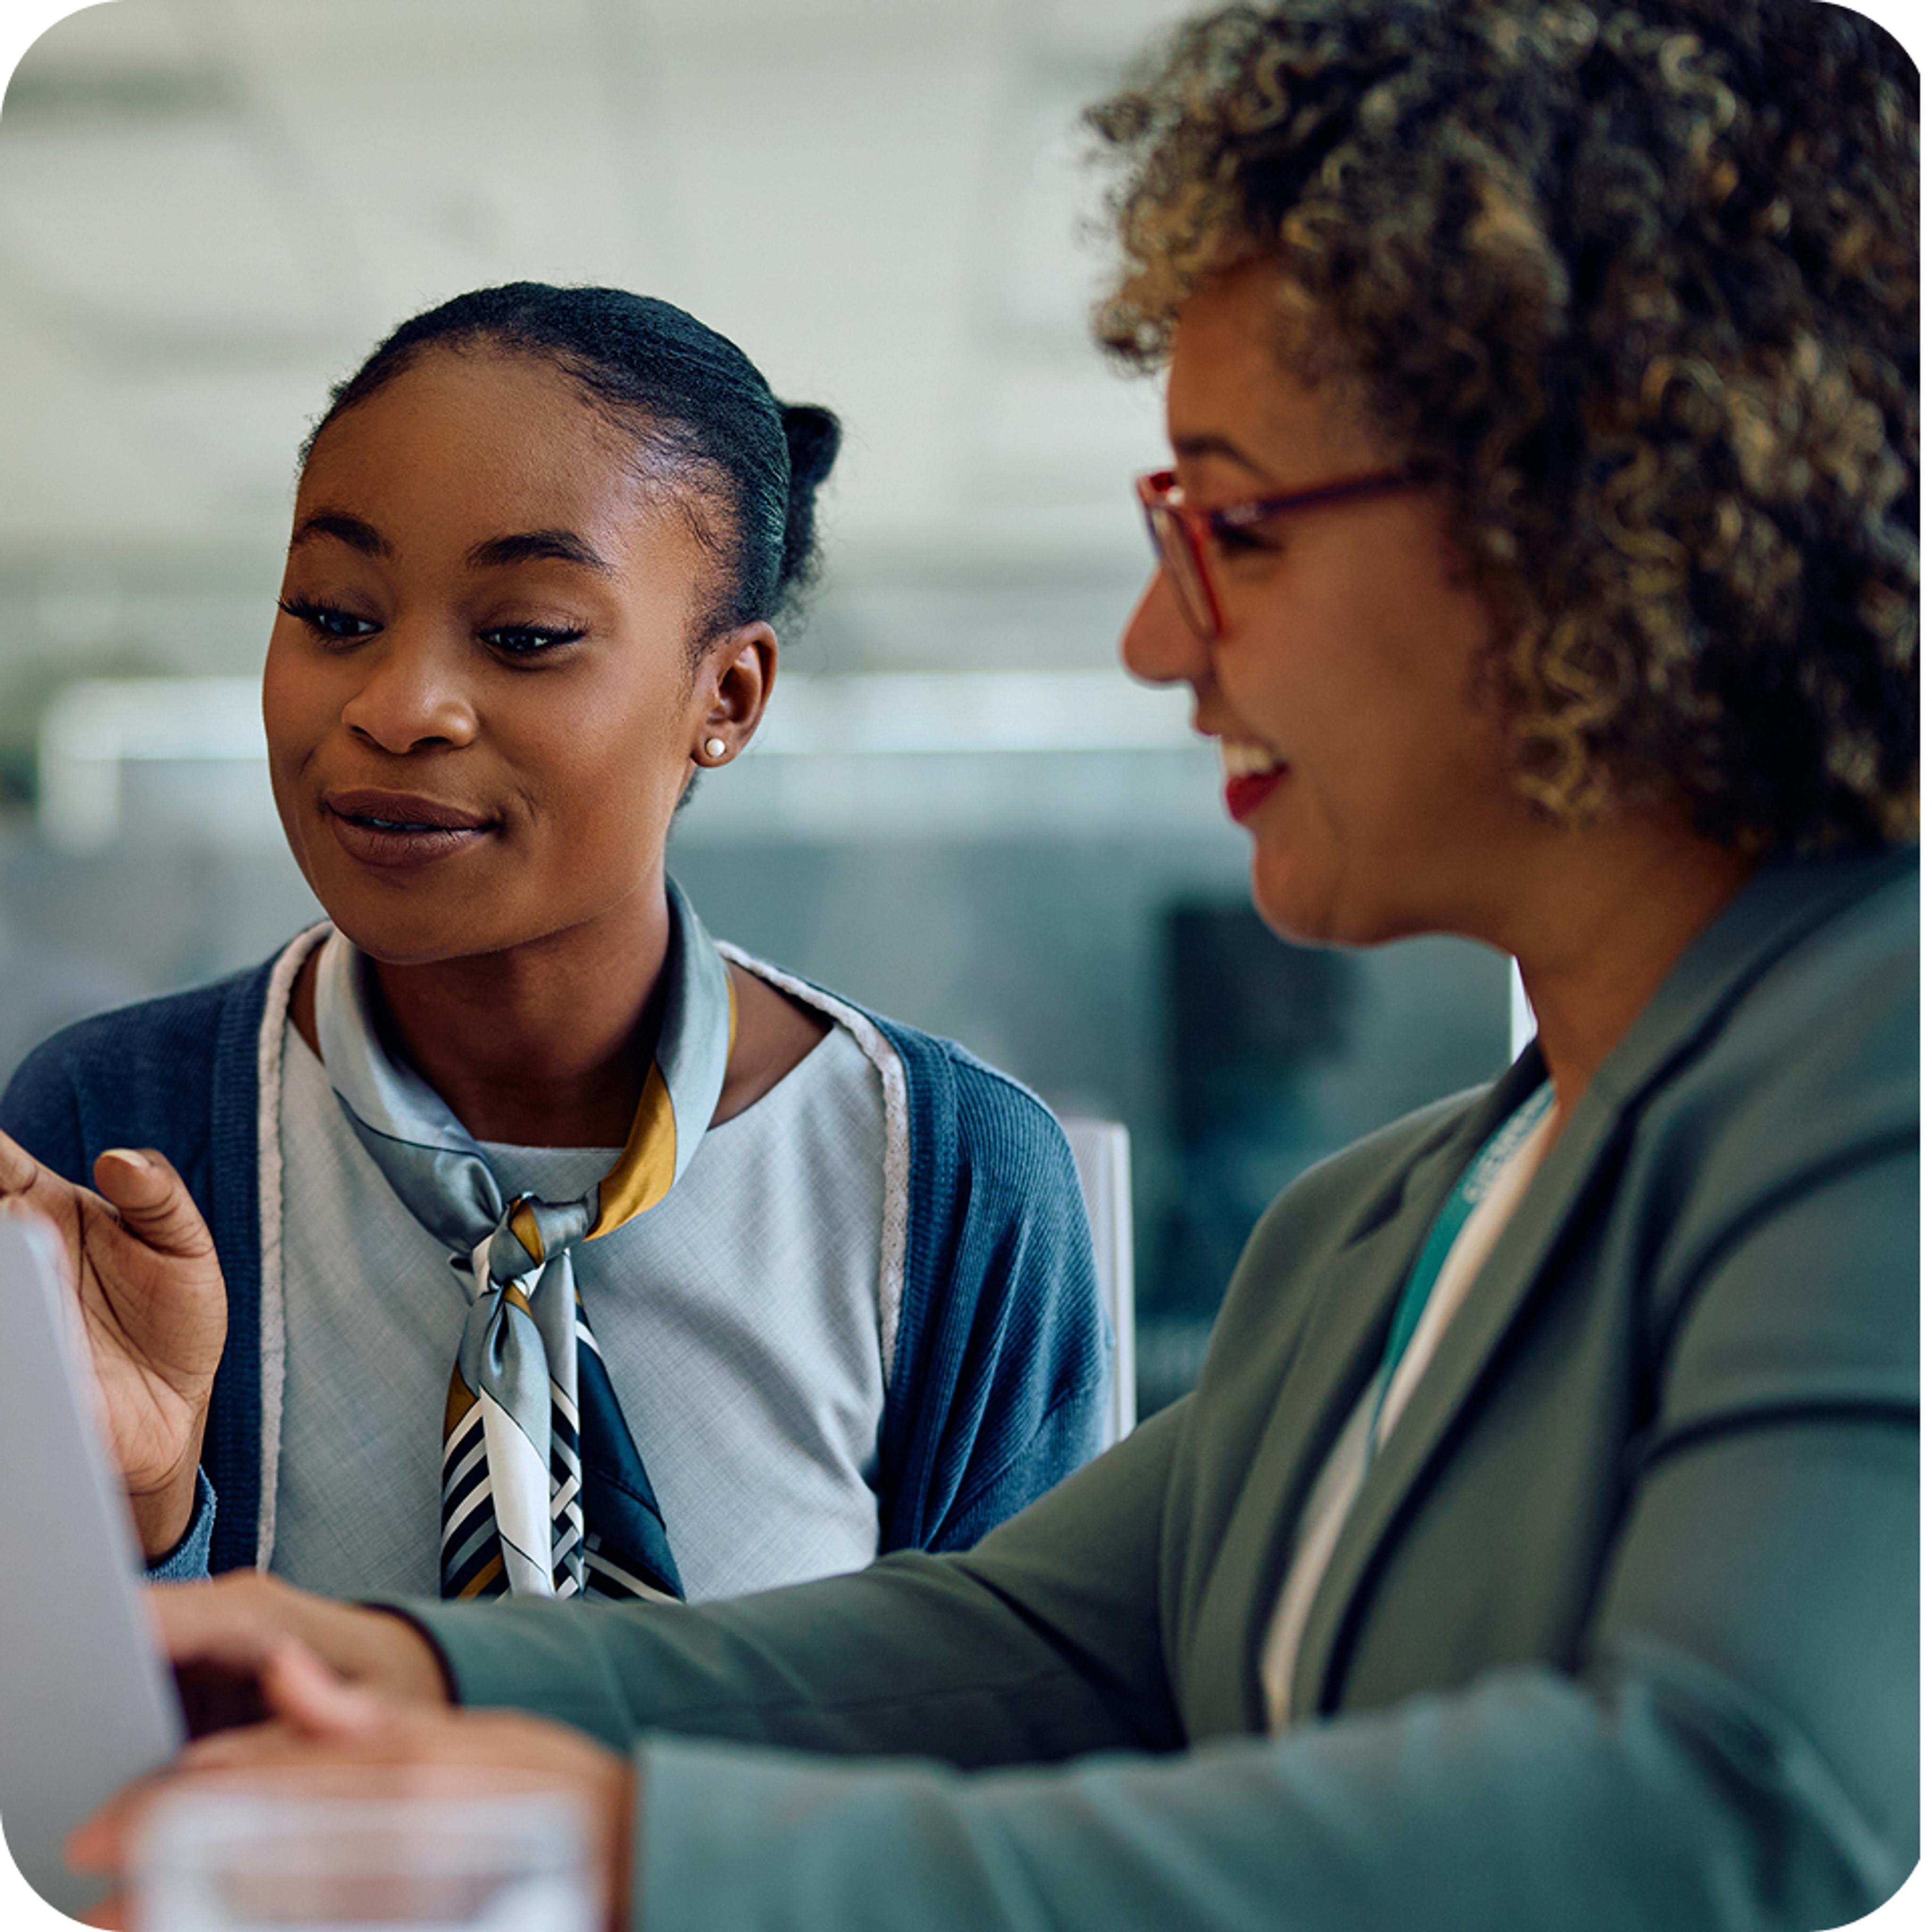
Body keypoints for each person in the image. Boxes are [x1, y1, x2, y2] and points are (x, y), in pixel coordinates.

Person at [71, 1, 1917, 1927]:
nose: (1152, 640)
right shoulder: (1381, 1222)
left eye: (1239, 530)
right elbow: (1023, 1650)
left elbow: (1737, 1808)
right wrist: (402, 1672)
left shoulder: (1883, 1080)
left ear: (1599, 519)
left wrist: (630, 1854)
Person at [0, 283, 1110, 1606]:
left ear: (728, 696)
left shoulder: (946, 1178)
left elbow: (1016, 1728)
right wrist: (142, 1515)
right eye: (336, 615)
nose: (398, 706)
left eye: (525, 635)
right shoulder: (120, 1122)